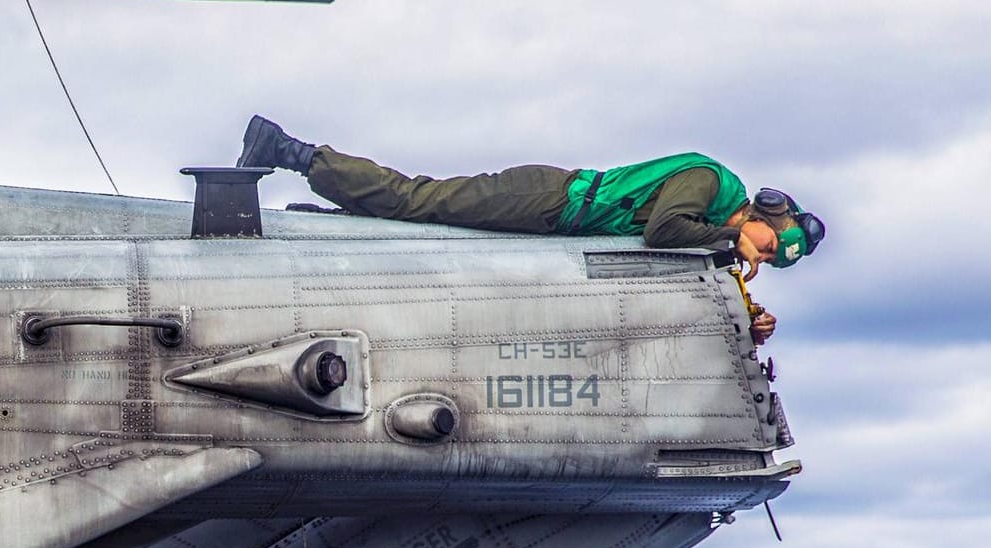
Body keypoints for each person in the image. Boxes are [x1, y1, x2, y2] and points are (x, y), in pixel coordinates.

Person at [237, 116, 824, 342]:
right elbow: (665, 232)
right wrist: (730, 239)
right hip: (548, 200)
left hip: (554, 227)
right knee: (420, 201)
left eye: (769, 260)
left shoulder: (715, 229)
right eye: (766, 244)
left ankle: (320, 226)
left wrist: (751, 320)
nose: (758, 257)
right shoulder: (710, 181)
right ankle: (291, 150)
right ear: (757, 215)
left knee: (434, 235)